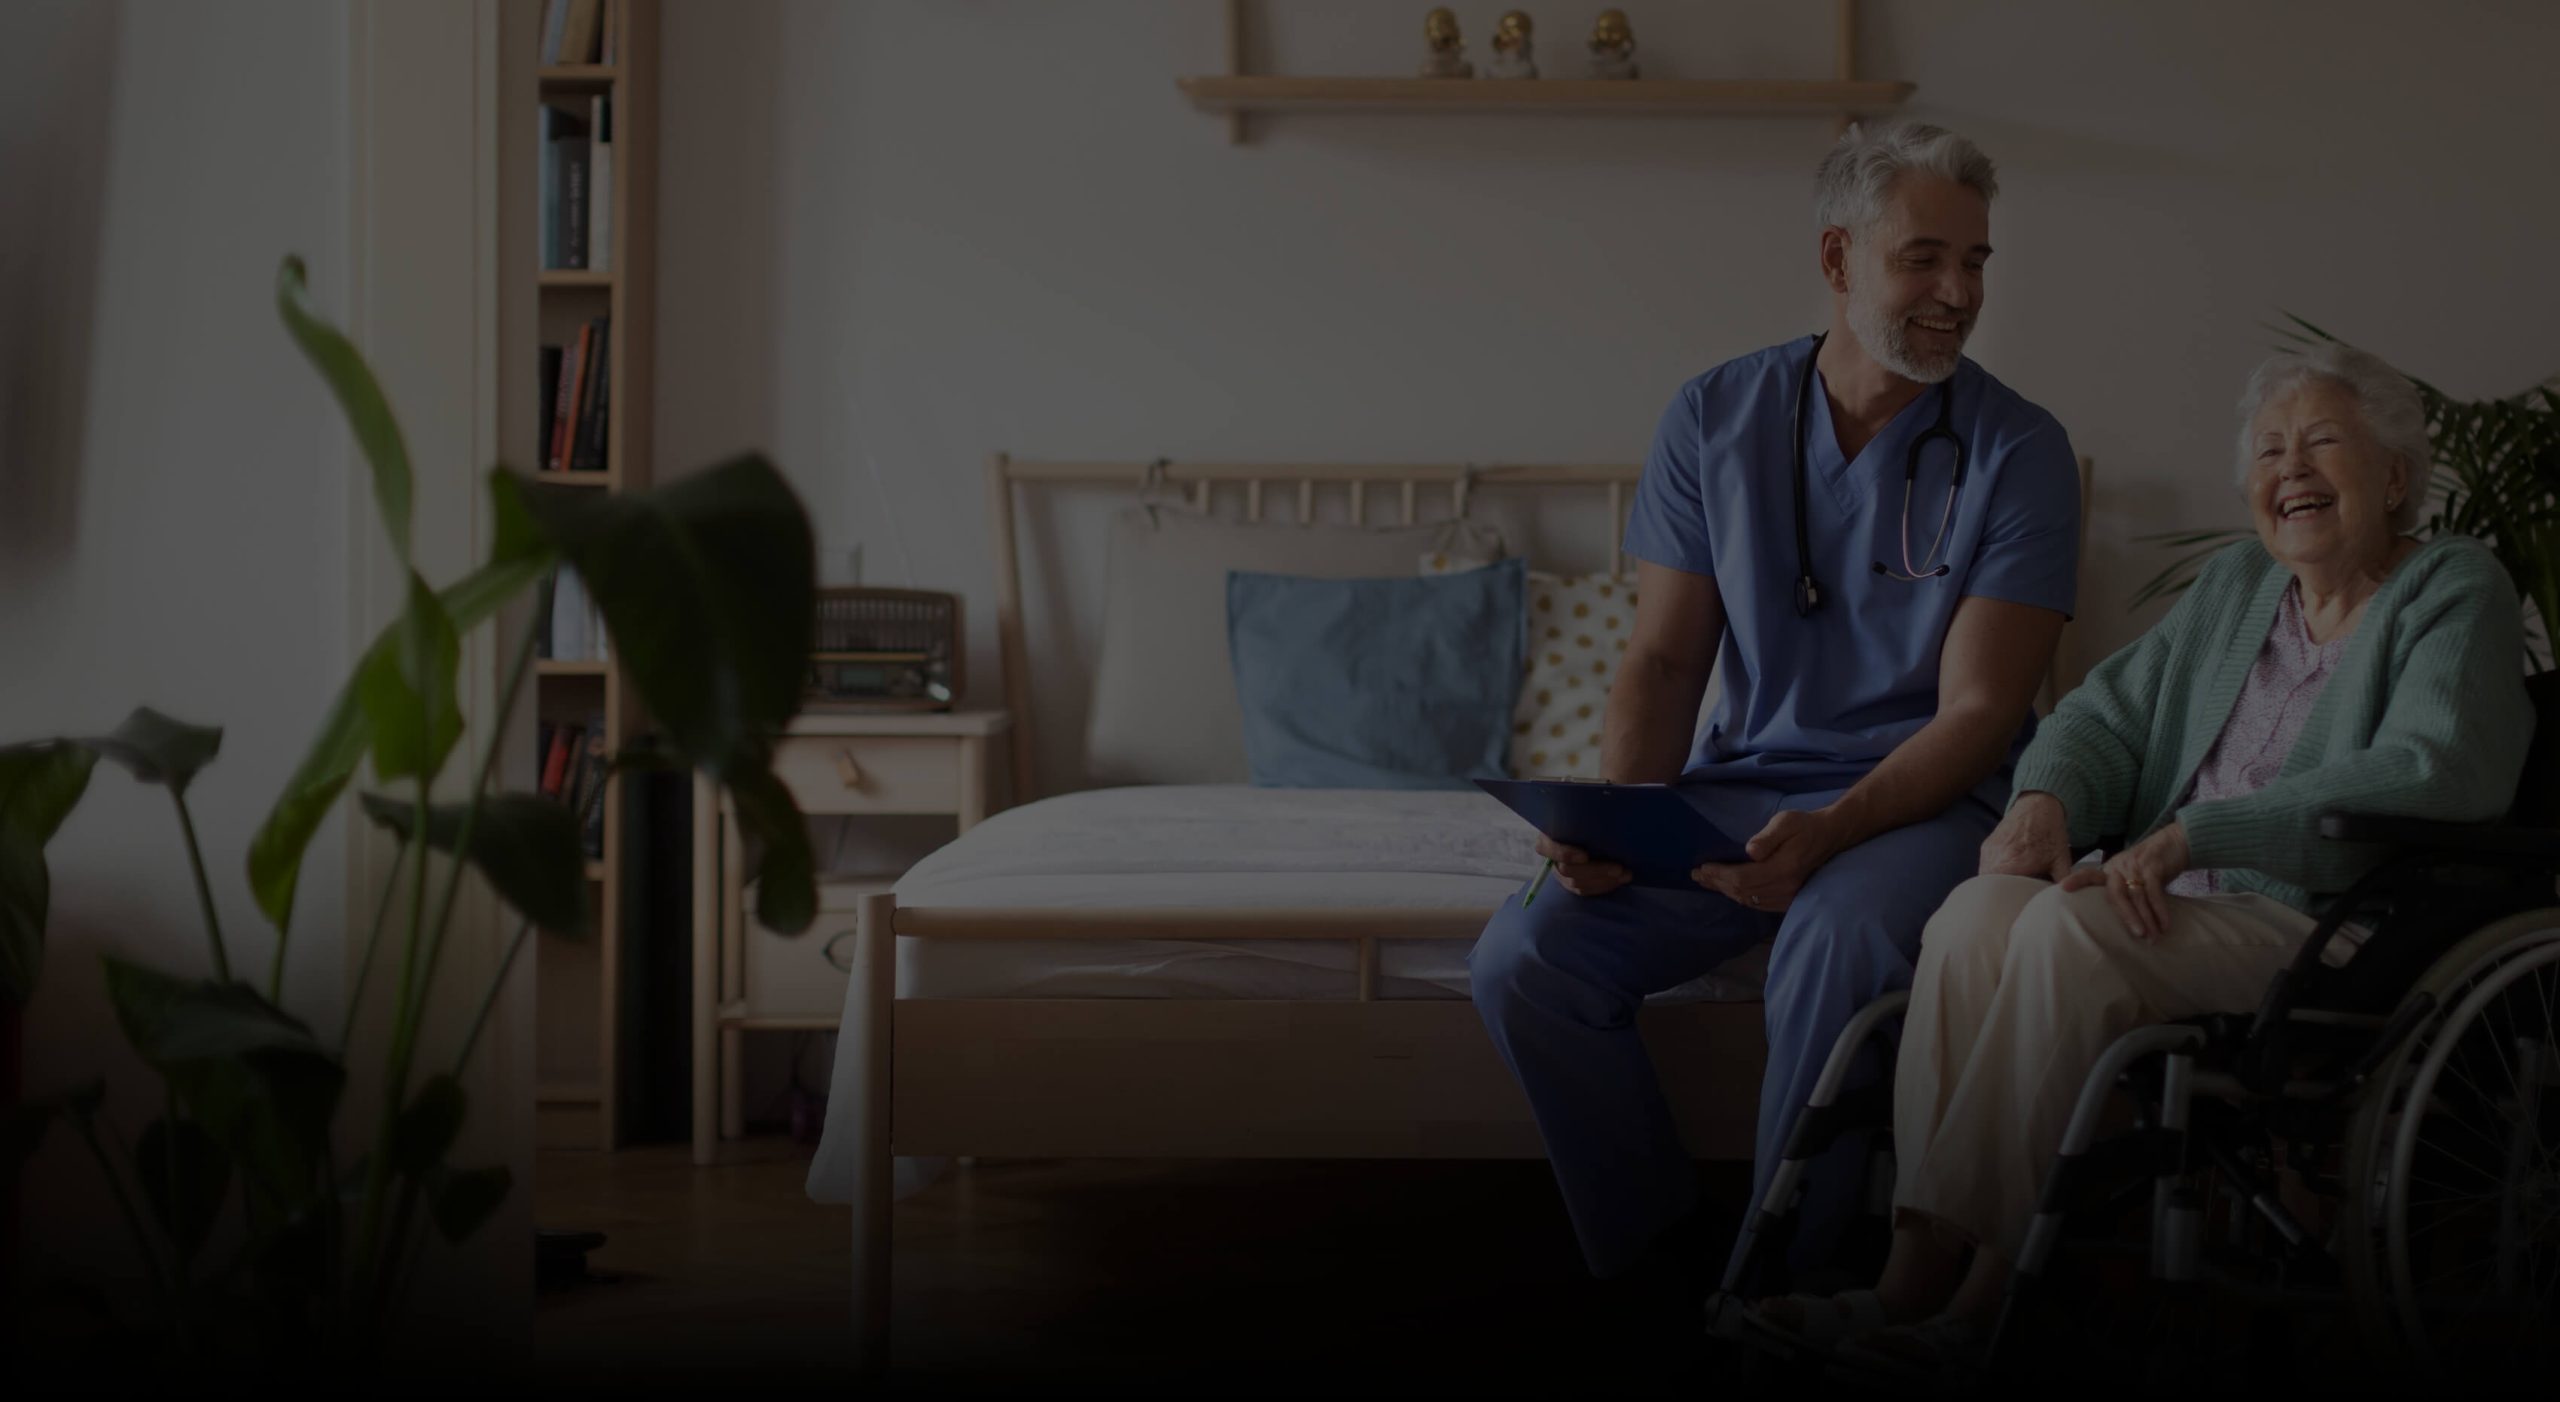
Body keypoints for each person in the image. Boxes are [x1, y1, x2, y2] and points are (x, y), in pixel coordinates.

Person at [1748, 342, 2533, 1370]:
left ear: (2393, 475)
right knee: (1978, 910)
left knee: (2069, 934)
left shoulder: (2452, 587)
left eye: (2321, 442)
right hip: (2167, 906)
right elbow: (2103, 716)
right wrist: (2043, 798)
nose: (2288, 469)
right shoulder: (2236, 587)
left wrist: (2195, 835)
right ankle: (1902, 1283)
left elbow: (2430, 768)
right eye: (2267, 450)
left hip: (2326, 924)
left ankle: (1978, 1305)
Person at [1469, 119, 2083, 1298]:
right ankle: (1657, 1254)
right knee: (1524, 953)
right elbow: (1659, 663)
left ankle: (1777, 1284)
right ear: (1837, 259)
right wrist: (1615, 820)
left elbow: (1978, 713)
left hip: (1925, 806)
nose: (1957, 293)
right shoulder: (1715, 415)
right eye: (1924, 259)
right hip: (1738, 790)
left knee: (1837, 937)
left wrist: (1834, 832)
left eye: (1977, 262)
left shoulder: (2020, 451)